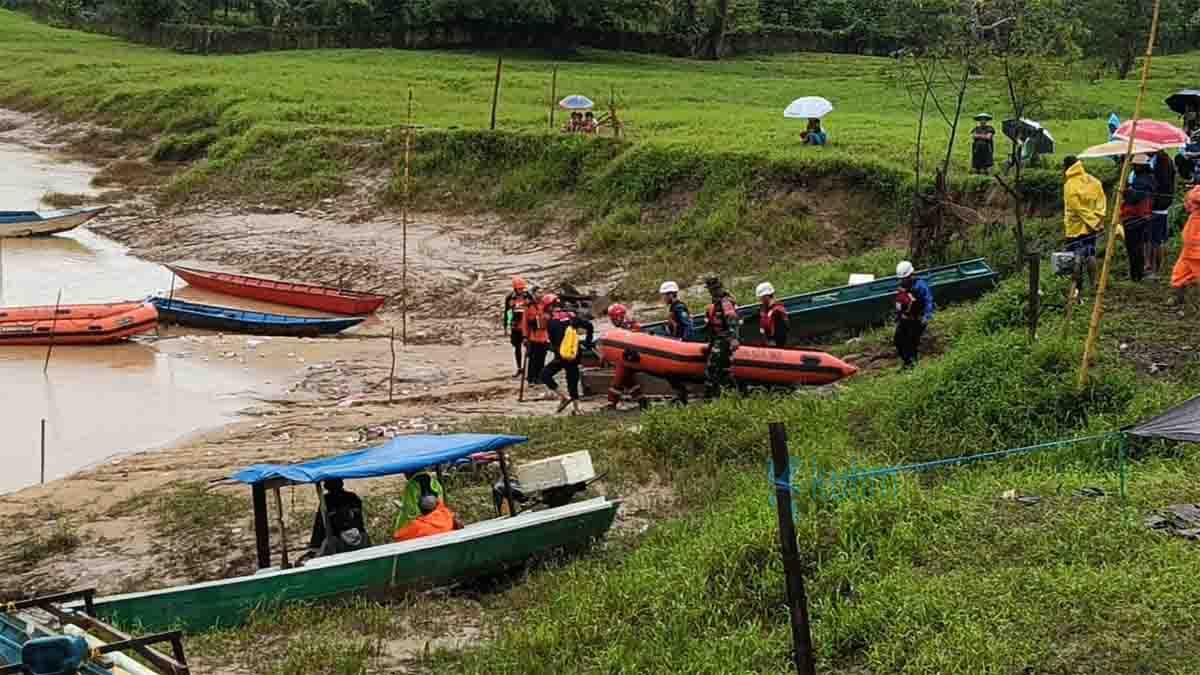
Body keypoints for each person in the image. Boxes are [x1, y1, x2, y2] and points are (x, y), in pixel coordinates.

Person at [540, 294, 594, 415]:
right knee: (572, 381)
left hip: (562, 356)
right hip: (574, 354)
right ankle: (577, 408)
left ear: (549, 307)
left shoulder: (551, 322)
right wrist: (588, 343)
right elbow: (589, 326)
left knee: (545, 375)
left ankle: (564, 397)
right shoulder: (571, 316)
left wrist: (548, 348)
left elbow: (555, 343)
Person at [1062, 156, 1108, 290]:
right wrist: (1096, 221)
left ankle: (1075, 288)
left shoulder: (1069, 185)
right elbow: (1101, 204)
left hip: (1074, 228)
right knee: (1090, 254)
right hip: (1091, 228)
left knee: (1074, 257)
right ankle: (1094, 283)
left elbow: (1077, 208)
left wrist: (1091, 221)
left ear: (1067, 167)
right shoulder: (1094, 181)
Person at [307, 479, 370, 557]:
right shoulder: (327, 500)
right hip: (337, 534)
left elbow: (357, 517)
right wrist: (315, 546)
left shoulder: (351, 497)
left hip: (350, 533)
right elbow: (320, 523)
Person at [703, 276, 740, 398]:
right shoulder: (715, 303)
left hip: (724, 339)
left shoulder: (725, 302)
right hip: (718, 339)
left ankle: (710, 397)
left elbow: (732, 320)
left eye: (711, 289)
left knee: (712, 368)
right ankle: (733, 392)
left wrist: (733, 338)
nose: (710, 292)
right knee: (723, 370)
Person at [1121, 154, 1156, 283]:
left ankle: (1135, 275)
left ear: (1140, 166)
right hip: (1143, 216)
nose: (1134, 168)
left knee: (1133, 247)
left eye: (1135, 166)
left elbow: (1133, 199)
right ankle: (1138, 274)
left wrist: (1125, 191)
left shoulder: (1141, 181)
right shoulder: (1150, 178)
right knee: (1139, 246)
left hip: (1134, 217)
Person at [605, 304, 646, 410]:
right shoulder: (626, 326)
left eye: (613, 319)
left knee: (619, 376)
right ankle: (641, 400)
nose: (612, 322)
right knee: (627, 379)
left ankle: (612, 402)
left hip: (636, 358)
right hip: (630, 358)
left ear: (618, 317)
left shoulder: (632, 327)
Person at [894, 261, 934, 369]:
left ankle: (912, 366)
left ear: (911, 275)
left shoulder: (920, 285)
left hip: (917, 319)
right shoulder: (902, 287)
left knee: (911, 344)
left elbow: (928, 300)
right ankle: (907, 363)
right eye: (901, 279)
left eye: (905, 278)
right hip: (904, 319)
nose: (903, 280)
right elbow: (900, 302)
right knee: (898, 340)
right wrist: (898, 315)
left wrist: (927, 316)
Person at [659, 280, 693, 404]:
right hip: (676, 342)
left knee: (671, 372)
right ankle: (681, 394)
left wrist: (683, 341)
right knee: (670, 372)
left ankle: (682, 394)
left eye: (664, 295)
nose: (663, 298)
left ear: (671, 294)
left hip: (681, 344)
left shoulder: (679, 307)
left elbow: (688, 325)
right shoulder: (673, 308)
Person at [1169, 185, 1200, 312]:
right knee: (1178, 274)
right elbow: (1190, 199)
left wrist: (1193, 194)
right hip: (1188, 250)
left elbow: (1194, 197)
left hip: (1197, 251)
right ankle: (1178, 299)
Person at [1149, 149, 1177, 278]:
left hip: (1158, 205)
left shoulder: (1161, 162)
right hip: (1163, 204)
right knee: (1159, 239)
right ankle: (1158, 269)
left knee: (1156, 240)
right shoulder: (1166, 160)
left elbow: (1160, 183)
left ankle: (1156, 271)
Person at [393, 494, 463, 542]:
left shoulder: (417, 526)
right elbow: (440, 505)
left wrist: (412, 523)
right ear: (437, 505)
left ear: (420, 509)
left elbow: (397, 537)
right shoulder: (446, 514)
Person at [503, 277, 535, 378]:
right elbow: (507, 312)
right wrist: (505, 326)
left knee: (529, 347)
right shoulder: (509, 297)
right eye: (519, 289)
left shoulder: (528, 296)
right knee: (517, 348)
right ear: (515, 288)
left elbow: (534, 309)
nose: (521, 290)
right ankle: (519, 368)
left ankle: (530, 369)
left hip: (526, 326)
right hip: (515, 326)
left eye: (522, 288)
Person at [524, 293, 551, 397]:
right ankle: (531, 378)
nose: (538, 296)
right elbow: (525, 323)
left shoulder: (545, 307)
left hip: (544, 337)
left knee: (541, 358)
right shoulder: (529, 307)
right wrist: (525, 336)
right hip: (533, 337)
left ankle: (539, 377)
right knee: (533, 359)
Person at [755, 282, 789, 348]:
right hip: (767, 343)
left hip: (776, 344)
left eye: (761, 297)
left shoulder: (777, 311)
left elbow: (783, 329)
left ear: (766, 296)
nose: (760, 300)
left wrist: (773, 341)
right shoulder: (764, 309)